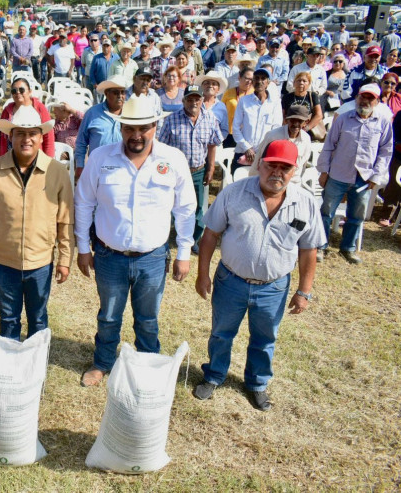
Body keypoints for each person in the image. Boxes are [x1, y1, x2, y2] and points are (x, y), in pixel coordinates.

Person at [193, 140, 325, 411]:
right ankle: (214, 375)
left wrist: (304, 291)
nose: (277, 173)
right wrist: (202, 274)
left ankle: (256, 383)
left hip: (273, 288)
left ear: (295, 170)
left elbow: (308, 250)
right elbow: (210, 234)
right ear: (259, 165)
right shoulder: (233, 193)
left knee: (265, 340)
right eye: (271, 165)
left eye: (285, 168)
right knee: (221, 333)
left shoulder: (306, 203)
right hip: (231, 282)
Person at [74, 95, 196, 387]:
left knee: (148, 318)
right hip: (109, 256)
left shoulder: (173, 159)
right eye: (130, 128)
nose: (137, 135)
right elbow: (83, 203)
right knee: (108, 316)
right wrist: (82, 248)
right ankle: (103, 362)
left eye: (144, 128)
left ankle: (147, 365)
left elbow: (185, 208)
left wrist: (184, 252)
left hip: (152, 257)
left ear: (155, 126)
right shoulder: (101, 158)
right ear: (121, 128)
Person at [0, 105, 74, 341]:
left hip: (41, 262)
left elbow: (65, 221)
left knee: (38, 319)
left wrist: (64, 259)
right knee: (8, 318)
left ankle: (36, 361)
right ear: (11, 136)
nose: (26, 139)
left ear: (41, 137)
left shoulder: (56, 171)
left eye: (32, 133)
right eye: (20, 133)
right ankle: (10, 360)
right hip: (3, 262)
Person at [316, 84, 393, 264]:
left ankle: (348, 248)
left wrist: (376, 176)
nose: (365, 101)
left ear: (377, 101)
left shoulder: (383, 123)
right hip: (338, 174)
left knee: (356, 216)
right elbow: (329, 145)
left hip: (364, 178)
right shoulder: (343, 119)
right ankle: (320, 245)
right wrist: (324, 171)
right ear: (357, 98)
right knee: (326, 213)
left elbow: (385, 152)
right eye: (363, 97)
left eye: (370, 98)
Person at [158, 85, 223, 247]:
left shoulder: (210, 119)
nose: (194, 102)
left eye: (197, 99)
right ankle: (166, 238)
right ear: (183, 100)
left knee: (199, 207)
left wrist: (211, 168)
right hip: (176, 173)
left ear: (202, 100)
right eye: (190, 99)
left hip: (199, 171)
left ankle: (193, 240)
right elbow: (162, 147)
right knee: (171, 204)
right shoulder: (171, 120)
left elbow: (212, 144)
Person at [232, 68, 283, 174]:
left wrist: (262, 150)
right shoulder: (244, 101)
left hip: (265, 153)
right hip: (243, 152)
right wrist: (247, 148)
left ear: (268, 82)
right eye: (256, 78)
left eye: (263, 78)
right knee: (238, 181)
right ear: (252, 81)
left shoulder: (275, 103)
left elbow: (276, 129)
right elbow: (235, 128)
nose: (259, 81)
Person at [0, 76, 54, 158]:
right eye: (14, 91)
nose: (18, 92)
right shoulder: (7, 110)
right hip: (9, 157)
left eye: (21, 90)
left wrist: (48, 160)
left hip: (33, 156)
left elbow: (48, 138)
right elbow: (0, 138)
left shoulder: (40, 108)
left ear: (30, 92)